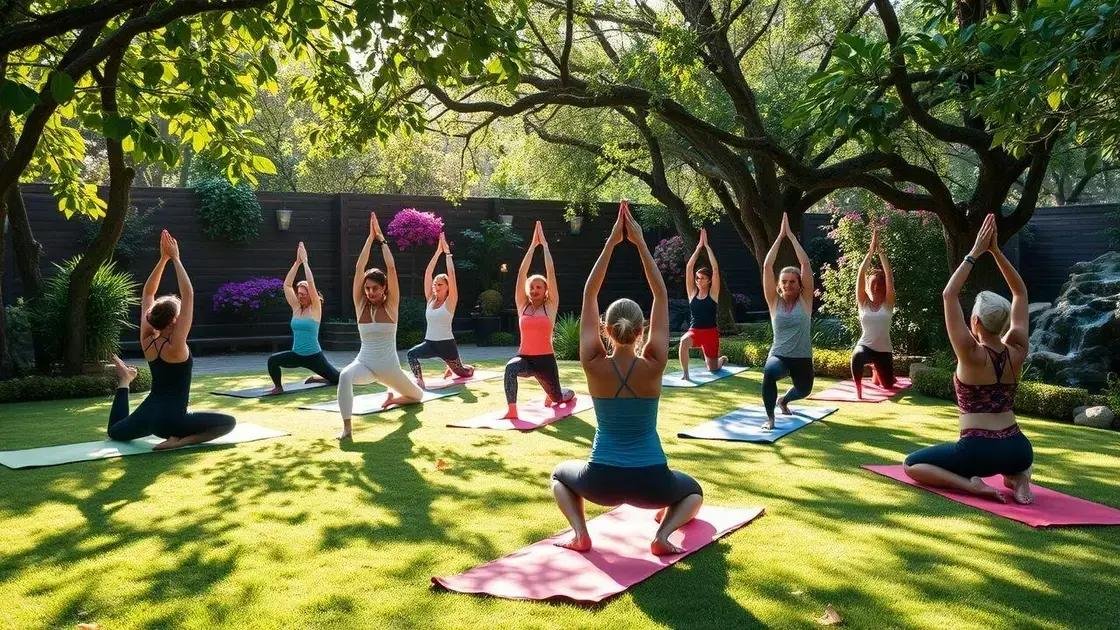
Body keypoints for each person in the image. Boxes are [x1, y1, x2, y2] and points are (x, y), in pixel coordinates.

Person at [551, 201, 703, 556]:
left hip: (600, 481)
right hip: (652, 482)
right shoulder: (654, 362)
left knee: (559, 476)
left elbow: (589, 293)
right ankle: (663, 535)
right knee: (693, 491)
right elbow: (661, 294)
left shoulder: (592, 362)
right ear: (641, 331)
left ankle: (580, 533)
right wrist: (638, 243)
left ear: (605, 329)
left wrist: (611, 244)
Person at [904, 214, 1034, 504]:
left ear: (974, 320)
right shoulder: (1017, 349)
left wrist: (976, 252)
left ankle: (973, 487)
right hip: (1018, 448)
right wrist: (996, 251)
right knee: (1014, 462)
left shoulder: (971, 353)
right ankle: (1020, 477)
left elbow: (949, 294)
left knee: (912, 464)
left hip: (978, 450)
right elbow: (1020, 292)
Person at [108, 230, 236, 449]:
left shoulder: (148, 341)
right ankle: (181, 442)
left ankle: (125, 381)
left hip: (149, 414)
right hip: (173, 422)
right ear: (175, 320)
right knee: (228, 423)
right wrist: (175, 258)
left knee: (115, 432)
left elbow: (148, 294)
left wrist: (162, 259)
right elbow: (189, 295)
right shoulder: (176, 346)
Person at [336, 212, 424, 440]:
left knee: (418, 396)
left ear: (384, 289)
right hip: (364, 364)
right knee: (345, 376)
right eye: (367, 288)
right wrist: (369, 238)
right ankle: (347, 428)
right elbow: (358, 269)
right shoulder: (360, 305)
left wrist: (382, 239)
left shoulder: (392, 305)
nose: (370, 292)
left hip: (390, 368)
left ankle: (393, 397)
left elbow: (392, 270)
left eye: (375, 288)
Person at [502, 220, 574, 419]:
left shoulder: (550, 306)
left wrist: (546, 247)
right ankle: (512, 410)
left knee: (559, 398)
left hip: (545, 361)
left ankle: (564, 393)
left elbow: (550, 272)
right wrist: (533, 246)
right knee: (510, 368)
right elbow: (521, 273)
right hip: (525, 359)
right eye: (532, 287)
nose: (534, 290)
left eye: (539, 287)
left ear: (545, 291)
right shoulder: (522, 305)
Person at [760, 213, 815, 430]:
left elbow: (805, 263)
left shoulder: (806, 300)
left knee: (804, 390)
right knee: (769, 372)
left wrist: (791, 237)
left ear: (799, 285)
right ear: (779, 285)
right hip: (779, 355)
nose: (788, 284)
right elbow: (767, 267)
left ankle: (784, 400)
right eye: (784, 281)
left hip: (802, 357)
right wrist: (779, 237)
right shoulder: (774, 301)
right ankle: (770, 418)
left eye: (793, 281)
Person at [266, 242, 341, 394]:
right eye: (298, 294)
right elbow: (287, 285)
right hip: (296, 355)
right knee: (272, 360)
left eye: (303, 295)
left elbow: (311, 284)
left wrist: (306, 262)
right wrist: (297, 262)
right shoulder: (296, 307)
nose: (299, 297)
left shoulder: (315, 308)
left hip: (314, 356)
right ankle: (278, 387)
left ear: (310, 296)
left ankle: (319, 377)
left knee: (339, 380)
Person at [406, 233, 475, 389]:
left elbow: (452, 274)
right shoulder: (430, 299)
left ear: (447, 286)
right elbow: (427, 273)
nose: (436, 287)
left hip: (447, 345)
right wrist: (438, 251)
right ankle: (420, 381)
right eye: (435, 284)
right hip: (430, 343)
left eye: (440, 285)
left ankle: (463, 367)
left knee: (463, 372)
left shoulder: (451, 301)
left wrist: (448, 254)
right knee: (411, 354)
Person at [851, 227, 896, 398]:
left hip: (884, 350)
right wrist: (870, 252)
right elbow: (860, 275)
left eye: (880, 285)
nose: (876, 287)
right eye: (873, 284)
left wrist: (881, 252)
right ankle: (858, 391)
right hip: (866, 345)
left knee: (888, 385)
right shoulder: (863, 302)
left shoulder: (888, 304)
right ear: (869, 287)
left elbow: (889, 275)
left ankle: (877, 369)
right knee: (857, 357)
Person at [678, 228, 728, 380]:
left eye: (702, 278)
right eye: (697, 278)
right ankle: (685, 374)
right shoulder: (692, 293)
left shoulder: (713, 294)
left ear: (709, 280)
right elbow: (689, 268)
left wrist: (707, 247)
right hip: (696, 332)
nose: (699, 280)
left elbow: (714, 269)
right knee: (683, 341)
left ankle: (722, 360)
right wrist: (698, 247)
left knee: (713, 368)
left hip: (711, 333)